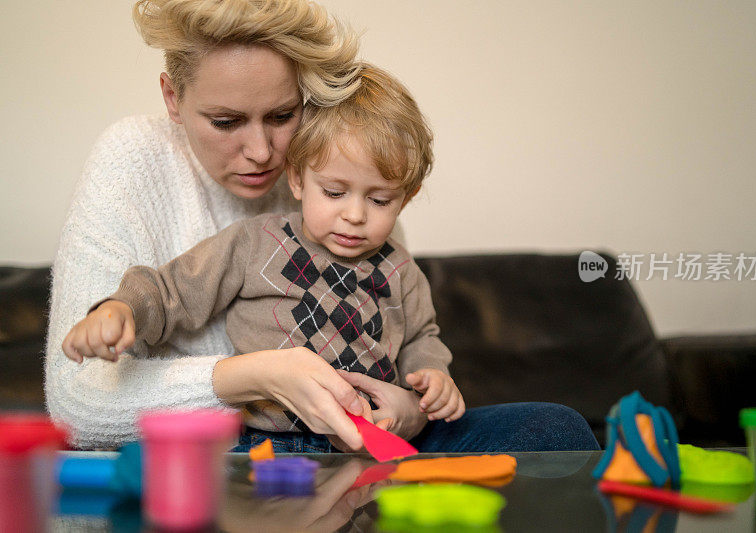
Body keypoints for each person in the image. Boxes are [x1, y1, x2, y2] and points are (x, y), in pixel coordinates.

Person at [46, 0, 599, 452]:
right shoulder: (140, 163)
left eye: (284, 116)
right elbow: (82, 400)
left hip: (370, 439)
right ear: (173, 97)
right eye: (225, 121)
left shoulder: (343, 176)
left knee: (556, 429)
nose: (262, 152)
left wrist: (410, 405)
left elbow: (409, 336)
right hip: (247, 448)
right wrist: (259, 376)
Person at [61, 65, 467, 451]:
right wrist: (122, 307)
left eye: (380, 200)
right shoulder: (256, 243)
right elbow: (174, 290)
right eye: (334, 192)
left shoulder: (401, 271)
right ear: (297, 178)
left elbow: (420, 337)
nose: (355, 215)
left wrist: (430, 383)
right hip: (265, 442)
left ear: (405, 198)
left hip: (367, 442)